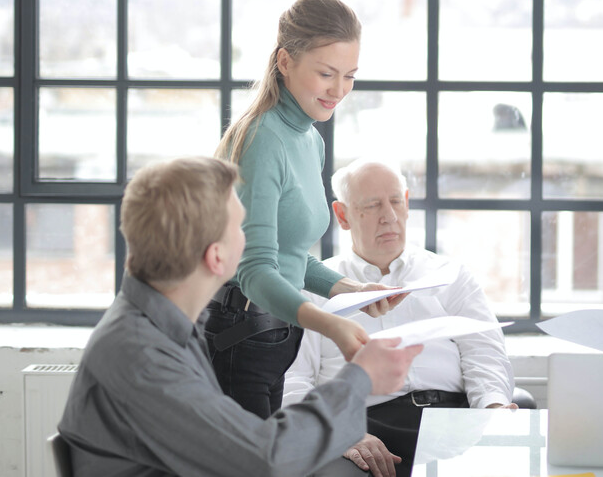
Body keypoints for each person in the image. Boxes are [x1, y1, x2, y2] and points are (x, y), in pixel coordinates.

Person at [57, 157, 423, 476]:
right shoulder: (141, 354)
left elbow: (241, 443)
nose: (256, 241)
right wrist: (360, 380)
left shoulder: (161, 325)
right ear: (217, 258)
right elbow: (265, 461)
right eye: (243, 228)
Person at [206, 0, 405, 419]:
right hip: (241, 333)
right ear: (285, 61)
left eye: (350, 75)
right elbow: (256, 271)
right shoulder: (262, 139)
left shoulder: (309, 139)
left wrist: (351, 290)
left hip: (273, 332)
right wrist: (330, 322)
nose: (339, 90)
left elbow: (288, 255)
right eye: (326, 72)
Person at [283, 158, 517, 477]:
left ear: (406, 204)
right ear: (342, 215)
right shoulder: (315, 287)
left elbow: (485, 352)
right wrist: (340, 432)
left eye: (395, 201)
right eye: (373, 205)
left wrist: (491, 408)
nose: (389, 217)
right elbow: (293, 379)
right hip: (363, 426)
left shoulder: (451, 275)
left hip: (454, 419)